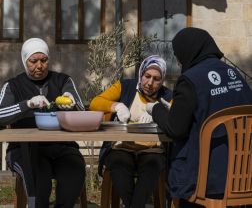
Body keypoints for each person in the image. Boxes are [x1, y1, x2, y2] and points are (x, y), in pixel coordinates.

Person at [147, 27, 252, 207]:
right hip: (242, 178)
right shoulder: (236, 75)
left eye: (178, 55)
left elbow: (175, 129)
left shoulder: (190, 80)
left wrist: (156, 109)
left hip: (205, 182)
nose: (179, 63)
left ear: (188, 51)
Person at [0, 38, 86, 207]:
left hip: (63, 147)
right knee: (40, 185)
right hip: (25, 150)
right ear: (25, 61)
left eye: (44, 60)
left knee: (74, 173)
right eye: (33, 61)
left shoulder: (63, 81)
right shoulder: (13, 85)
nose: (39, 65)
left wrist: (71, 103)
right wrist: (27, 104)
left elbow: (81, 112)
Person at [89, 55, 172, 208]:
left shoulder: (167, 96)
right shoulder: (125, 86)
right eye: (147, 76)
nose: (150, 83)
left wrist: (158, 112)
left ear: (162, 80)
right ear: (141, 74)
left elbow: (175, 118)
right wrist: (116, 106)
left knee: (152, 166)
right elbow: (95, 103)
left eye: (156, 79)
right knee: (119, 163)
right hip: (122, 146)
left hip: (152, 149)